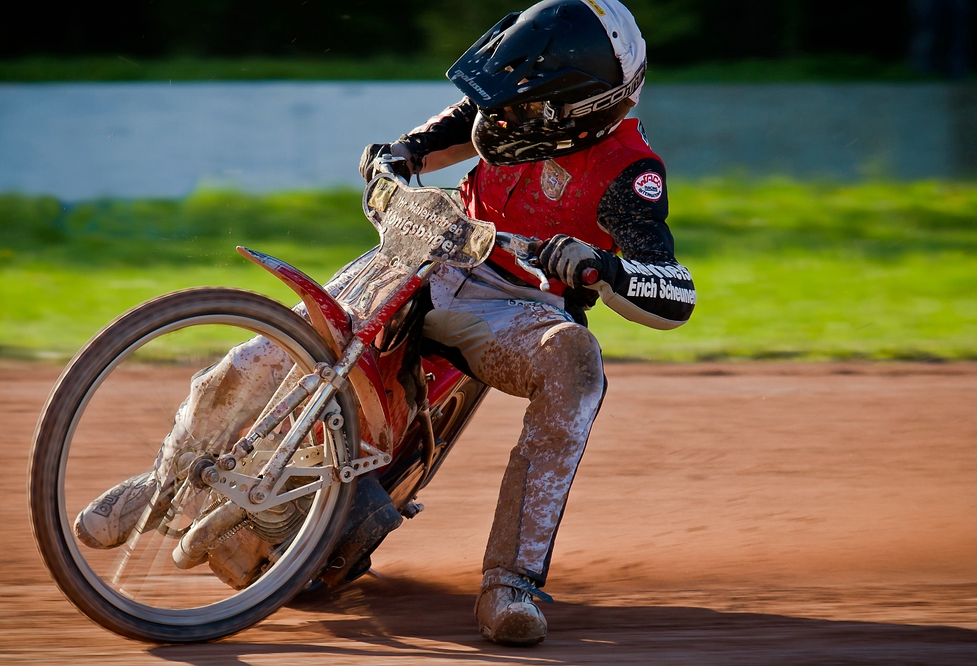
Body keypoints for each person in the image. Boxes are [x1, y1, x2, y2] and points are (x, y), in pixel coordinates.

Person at [73, 0, 695, 647]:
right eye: (501, 98)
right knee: (271, 351)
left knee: (577, 363)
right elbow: (426, 143)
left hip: (521, 305)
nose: (498, 115)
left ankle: (510, 582)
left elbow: (674, 291)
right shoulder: (507, 107)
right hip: (434, 248)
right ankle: (163, 481)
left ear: (576, 111)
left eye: (519, 105)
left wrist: (600, 268)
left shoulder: (632, 173)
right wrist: (390, 162)